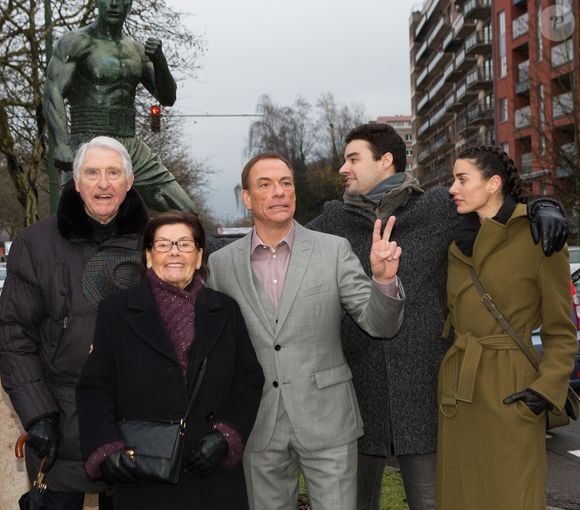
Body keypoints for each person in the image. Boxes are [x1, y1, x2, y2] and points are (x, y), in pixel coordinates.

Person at [306, 122, 570, 510]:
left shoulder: (439, 208)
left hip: (428, 399)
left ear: (386, 160)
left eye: (353, 158)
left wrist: (548, 208)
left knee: (441, 500)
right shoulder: (332, 224)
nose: (343, 168)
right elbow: (284, 242)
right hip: (357, 398)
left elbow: (501, 210)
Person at [205, 152, 406, 510]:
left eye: (286, 183)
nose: (279, 192)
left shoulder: (333, 251)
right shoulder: (221, 265)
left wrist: (383, 280)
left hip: (327, 420)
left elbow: (380, 325)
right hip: (258, 423)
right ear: (247, 198)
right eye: (265, 185)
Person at [76, 211, 264, 509]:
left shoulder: (225, 310)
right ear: (149, 256)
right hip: (144, 475)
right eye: (163, 244)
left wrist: (226, 436)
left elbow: (249, 380)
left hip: (211, 474)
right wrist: (105, 446)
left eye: (185, 244)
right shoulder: (116, 312)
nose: (174, 252)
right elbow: (95, 387)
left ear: (200, 256)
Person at [0, 136, 149, 509]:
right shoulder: (35, 244)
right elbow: (14, 334)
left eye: (113, 173)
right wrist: (37, 414)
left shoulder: (155, 244)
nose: (103, 183)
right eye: (92, 173)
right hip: (59, 421)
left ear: (129, 182)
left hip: (133, 419)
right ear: (76, 182)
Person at [437, 146, 577, 510]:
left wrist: (545, 391)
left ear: (494, 183)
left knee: (513, 497)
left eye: (462, 179)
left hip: (510, 387)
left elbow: (561, 330)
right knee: (461, 497)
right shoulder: (455, 240)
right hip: (459, 390)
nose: (452, 188)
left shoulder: (536, 236)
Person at [43, 0, 195, 213]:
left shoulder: (137, 50)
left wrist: (160, 62)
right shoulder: (76, 42)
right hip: (88, 139)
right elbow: (53, 92)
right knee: (74, 218)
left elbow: (167, 97)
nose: (114, 4)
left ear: (129, 5)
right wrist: (61, 143)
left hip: (129, 141)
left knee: (185, 210)